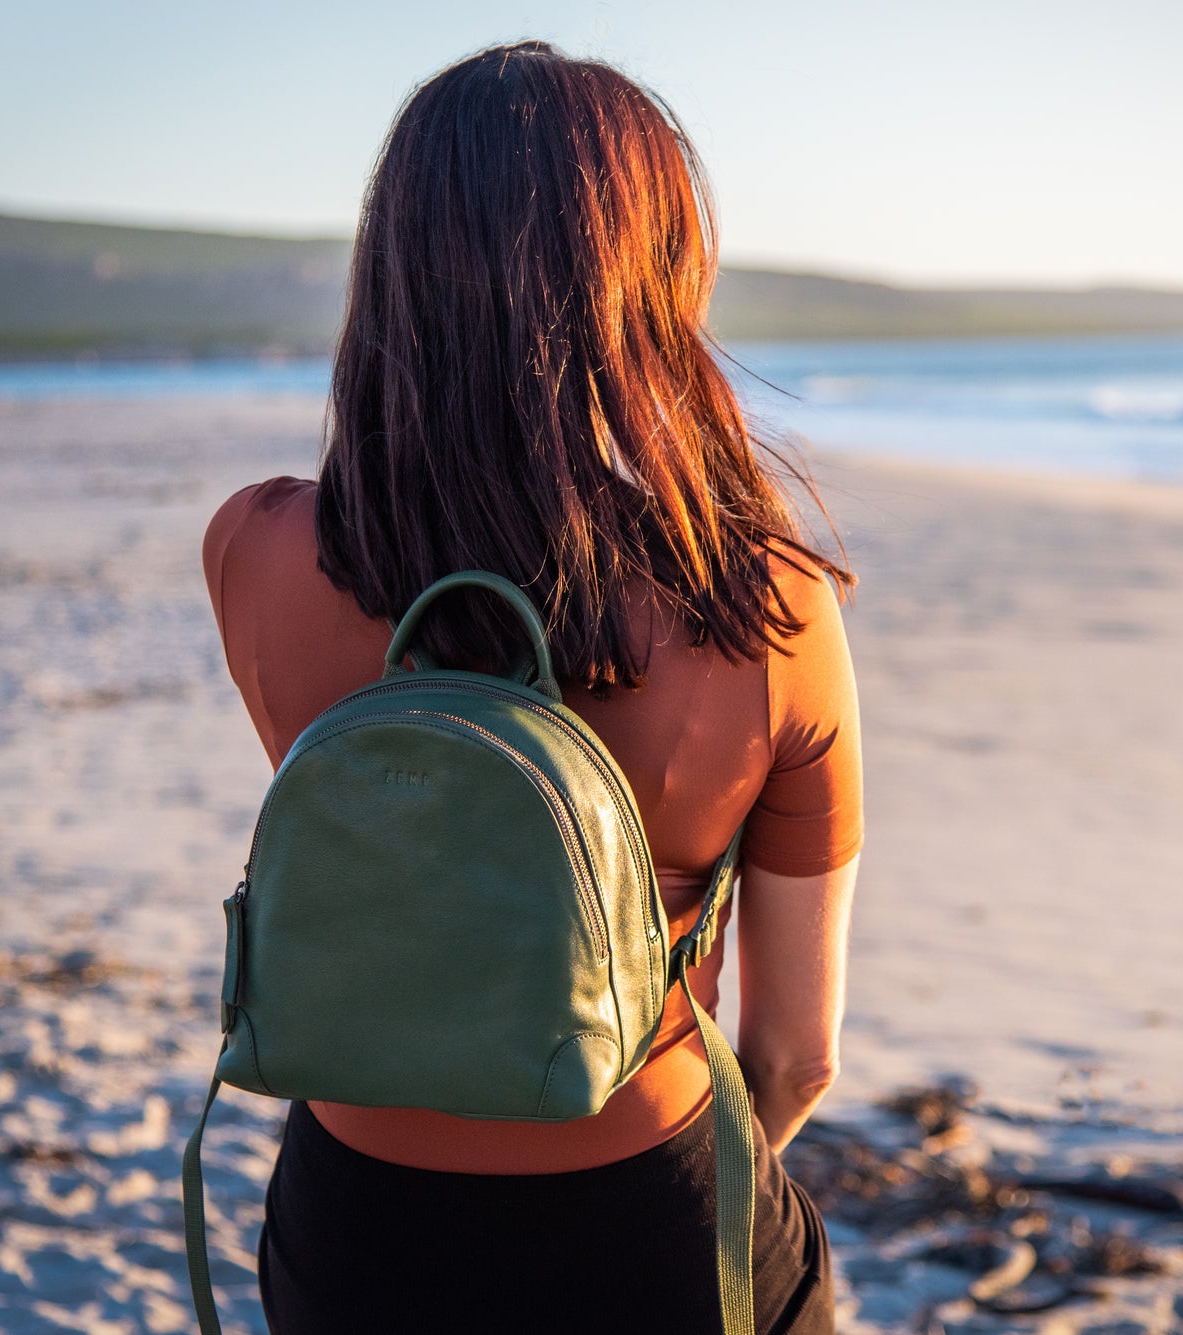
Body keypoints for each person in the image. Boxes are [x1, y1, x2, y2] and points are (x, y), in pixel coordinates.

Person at [199, 41, 862, 1335]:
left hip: (359, 1233)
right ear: (652, 277)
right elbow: (796, 1058)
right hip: (650, 1219)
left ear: (390, 269)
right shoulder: (767, 603)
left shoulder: (257, 552)